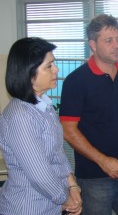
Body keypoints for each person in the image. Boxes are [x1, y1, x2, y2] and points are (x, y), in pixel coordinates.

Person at [59, 14, 118, 215]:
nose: (117, 45)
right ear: (93, 44)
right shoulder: (76, 81)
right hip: (94, 178)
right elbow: (68, 130)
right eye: (109, 40)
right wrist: (102, 160)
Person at [0, 37, 82, 215]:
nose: (56, 69)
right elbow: (40, 174)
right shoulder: (19, 115)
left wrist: (73, 186)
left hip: (51, 205)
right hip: (27, 207)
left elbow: (58, 154)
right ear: (29, 73)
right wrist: (67, 200)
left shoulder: (44, 106)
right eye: (49, 66)